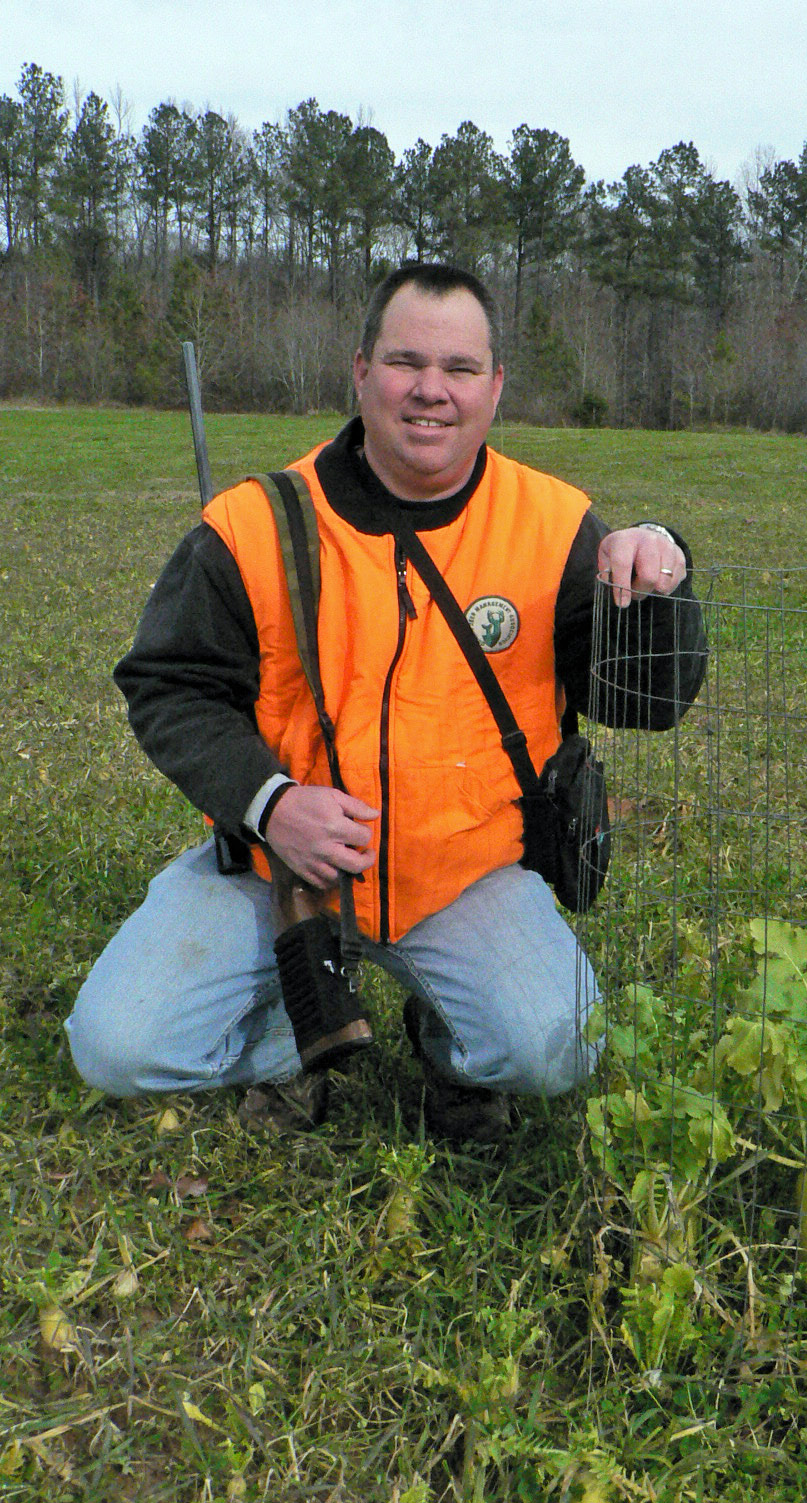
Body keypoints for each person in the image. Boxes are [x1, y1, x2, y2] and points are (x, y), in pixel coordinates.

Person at [66, 261, 706, 1140]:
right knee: (116, 1049)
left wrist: (661, 573)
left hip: (466, 872)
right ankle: (306, 1033)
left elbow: (649, 703)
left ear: (496, 387)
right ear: (360, 370)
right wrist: (271, 804)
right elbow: (169, 686)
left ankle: (449, 1046)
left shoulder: (557, 526)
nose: (430, 391)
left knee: (560, 1046)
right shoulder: (251, 525)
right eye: (406, 362)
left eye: (460, 369)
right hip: (281, 872)